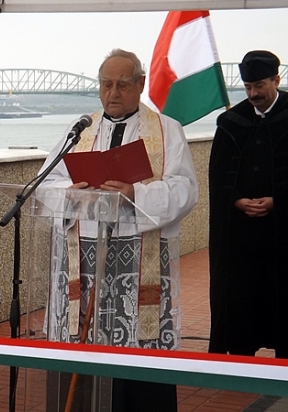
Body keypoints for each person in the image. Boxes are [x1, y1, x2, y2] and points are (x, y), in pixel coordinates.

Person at [39, 48, 198, 411]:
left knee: (137, 360)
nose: (112, 93)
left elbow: (186, 189)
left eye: (122, 84)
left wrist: (135, 193)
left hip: (138, 262)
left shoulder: (166, 131)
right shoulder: (80, 131)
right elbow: (45, 183)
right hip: (85, 260)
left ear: (140, 84)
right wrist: (69, 193)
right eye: (106, 84)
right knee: (86, 359)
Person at [208, 50, 288, 358]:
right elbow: (217, 178)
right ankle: (240, 361)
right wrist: (237, 200)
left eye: (259, 86)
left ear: (276, 80)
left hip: (281, 235)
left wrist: (277, 201)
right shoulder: (232, 122)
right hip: (241, 238)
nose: (253, 94)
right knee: (241, 301)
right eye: (248, 87)